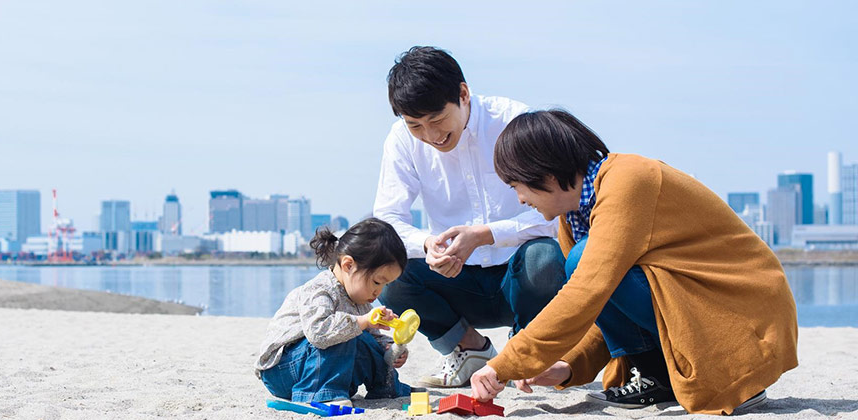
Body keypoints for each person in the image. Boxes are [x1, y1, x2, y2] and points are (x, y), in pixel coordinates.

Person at [469, 109, 798, 415]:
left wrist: (506, 363)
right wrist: (566, 365)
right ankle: (657, 377)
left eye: (517, 186)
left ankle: (730, 373)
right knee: (585, 261)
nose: (520, 199)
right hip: (695, 303)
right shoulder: (574, 217)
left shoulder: (628, 180)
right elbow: (598, 302)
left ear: (548, 175)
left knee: (584, 261)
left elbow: (587, 290)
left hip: (742, 314)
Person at [373, 46, 566, 388]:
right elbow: (388, 221)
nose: (431, 136)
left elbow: (557, 215)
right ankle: (469, 349)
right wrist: (429, 243)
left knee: (544, 256)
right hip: (455, 279)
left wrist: (484, 235)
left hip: (520, 278)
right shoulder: (402, 140)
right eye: (416, 125)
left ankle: (527, 352)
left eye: (436, 120)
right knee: (390, 272)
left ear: (463, 94)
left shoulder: (513, 122)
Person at [255, 218, 413, 406]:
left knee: (363, 338)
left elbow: (370, 338)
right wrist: (363, 321)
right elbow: (319, 333)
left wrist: (390, 349)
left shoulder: (360, 301)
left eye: (386, 284)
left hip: (320, 367)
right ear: (348, 265)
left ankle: (385, 387)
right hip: (282, 370)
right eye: (377, 282)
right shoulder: (319, 289)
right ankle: (323, 394)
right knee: (342, 331)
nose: (379, 292)